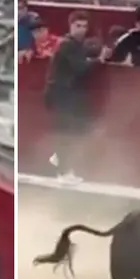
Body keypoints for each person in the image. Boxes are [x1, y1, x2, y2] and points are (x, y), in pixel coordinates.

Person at [44, 10, 96, 183]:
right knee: (66, 134)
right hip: (62, 94)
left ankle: (59, 160)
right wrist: (98, 59)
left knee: (70, 132)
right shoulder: (68, 44)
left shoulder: (73, 44)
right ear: (70, 26)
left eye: (84, 26)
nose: (81, 29)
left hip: (65, 94)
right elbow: (81, 68)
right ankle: (63, 171)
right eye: (77, 26)